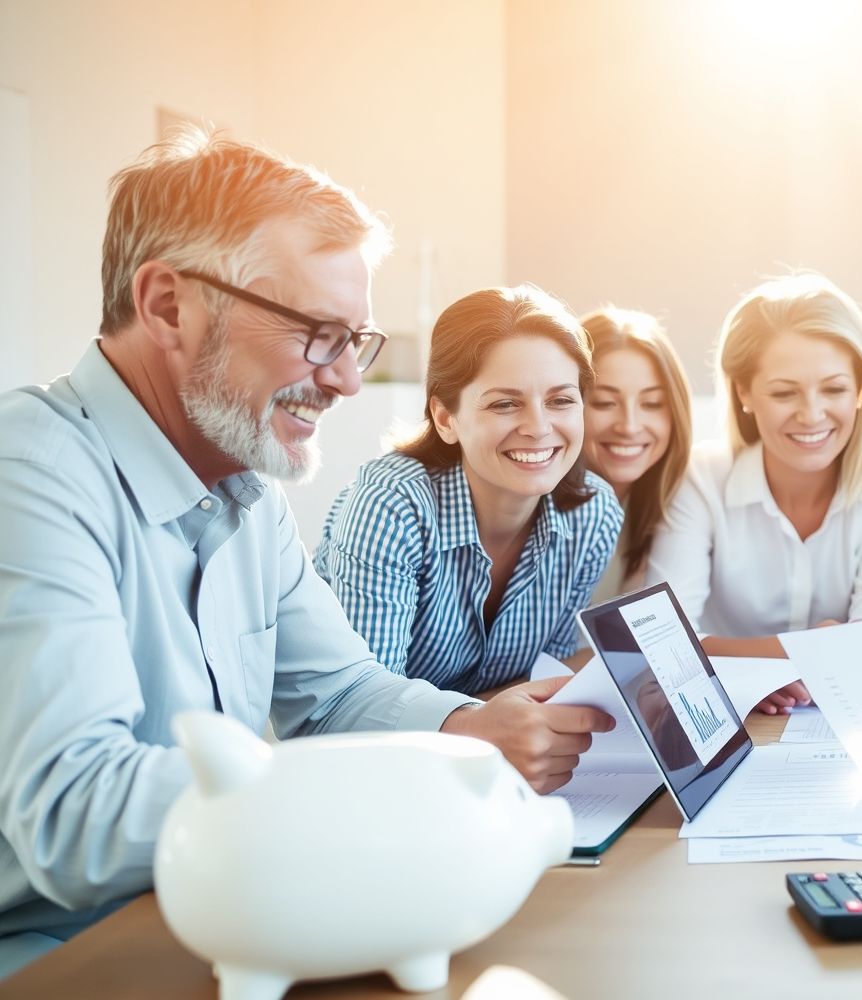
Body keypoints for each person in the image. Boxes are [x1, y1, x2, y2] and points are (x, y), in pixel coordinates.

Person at [0, 130, 612, 974]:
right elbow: (75, 814)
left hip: (222, 916)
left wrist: (467, 730)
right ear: (169, 307)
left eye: (355, 341)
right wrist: (390, 783)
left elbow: (338, 694)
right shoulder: (30, 473)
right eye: (317, 334)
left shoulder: (246, 493)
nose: (348, 381)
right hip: (55, 951)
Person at [315, 286, 624, 696]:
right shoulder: (391, 506)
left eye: (561, 400)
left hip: (492, 739)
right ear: (445, 419)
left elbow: (544, 683)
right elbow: (366, 706)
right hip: (376, 738)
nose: (538, 427)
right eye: (504, 404)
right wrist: (496, 717)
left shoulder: (594, 514)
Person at [646, 273, 862, 700]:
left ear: (861, 390)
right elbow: (662, 644)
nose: (811, 415)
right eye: (784, 393)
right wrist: (776, 664)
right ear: (744, 392)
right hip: (728, 710)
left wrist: (738, 659)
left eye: (834, 389)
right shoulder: (700, 477)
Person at [578, 306, 693, 602]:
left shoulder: (678, 504)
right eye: (604, 402)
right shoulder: (530, 512)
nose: (629, 426)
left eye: (652, 403)